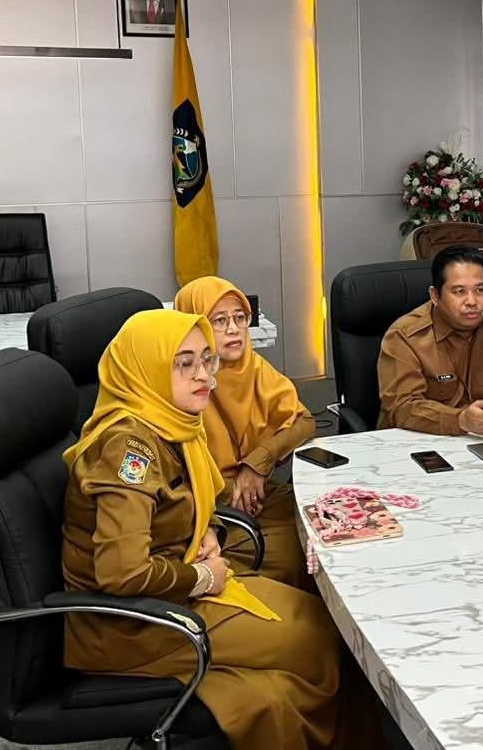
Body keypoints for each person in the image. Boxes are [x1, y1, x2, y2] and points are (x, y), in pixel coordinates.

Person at [61, 309, 349, 749]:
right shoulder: (129, 450)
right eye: (184, 363)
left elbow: (184, 501)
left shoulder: (170, 423)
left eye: (206, 360)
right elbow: (123, 573)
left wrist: (209, 529)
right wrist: (200, 577)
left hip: (171, 591)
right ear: (147, 369)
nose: (204, 376)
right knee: (318, 640)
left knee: (303, 657)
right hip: (133, 625)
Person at [175, 276, 313, 588]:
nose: (234, 329)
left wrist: (258, 463)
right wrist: (233, 488)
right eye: (219, 320)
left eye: (240, 318)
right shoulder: (182, 380)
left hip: (256, 493)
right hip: (209, 511)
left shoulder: (252, 365)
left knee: (324, 525)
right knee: (303, 556)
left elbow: (304, 421)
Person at [378, 244, 483, 437]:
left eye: (480, 290)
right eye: (459, 291)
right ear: (435, 296)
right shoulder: (404, 336)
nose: (472, 301)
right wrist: (460, 420)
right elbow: (402, 406)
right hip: (419, 443)